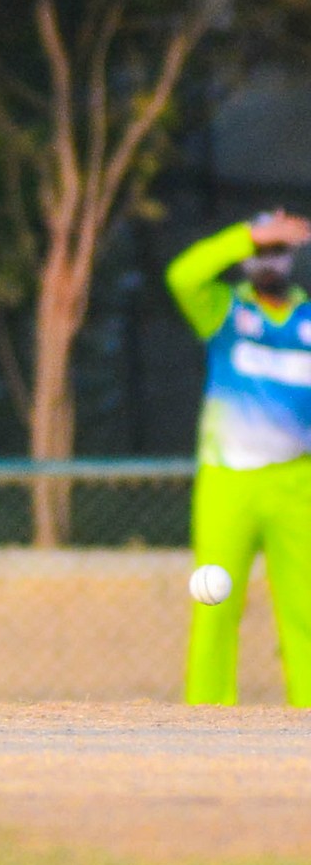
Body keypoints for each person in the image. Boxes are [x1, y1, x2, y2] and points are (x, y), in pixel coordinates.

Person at [167, 208, 311, 706]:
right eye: (260, 252)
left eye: (277, 250)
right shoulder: (224, 311)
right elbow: (182, 275)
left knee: (305, 611)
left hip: (298, 485)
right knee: (214, 604)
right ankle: (206, 718)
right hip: (228, 480)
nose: (268, 261)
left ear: (292, 257)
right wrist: (247, 236)